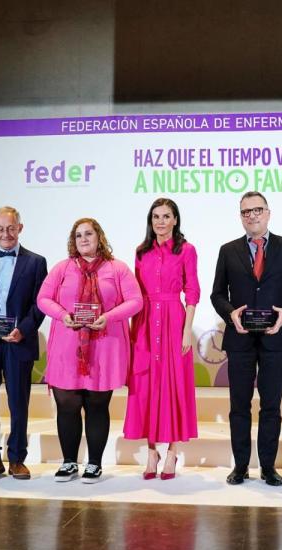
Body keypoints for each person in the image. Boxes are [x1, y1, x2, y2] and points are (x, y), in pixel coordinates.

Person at [210, 191, 282, 487]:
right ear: (240, 216)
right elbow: (216, 294)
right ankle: (240, 466)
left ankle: (268, 467)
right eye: (246, 212)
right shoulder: (228, 250)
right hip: (240, 339)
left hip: (275, 338)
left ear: (268, 212)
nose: (252, 216)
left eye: (257, 210)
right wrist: (230, 314)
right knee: (239, 405)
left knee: (271, 405)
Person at [37, 218, 142, 483]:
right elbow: (43, 299)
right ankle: (69, 462)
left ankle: (94, 463)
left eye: (89, 234)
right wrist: (62, 315)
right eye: (78, 235)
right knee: (67, 404)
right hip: (67, 347)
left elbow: (135, 301)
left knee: (97, 406)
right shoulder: (62, 268)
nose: (83, 239)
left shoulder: (117, 269)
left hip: (104, 347)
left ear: (99, 237)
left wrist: (109, 316)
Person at [0, 207, 48, 481]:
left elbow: (40, 304)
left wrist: (23, 330)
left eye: (11, 228)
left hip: (18, 343)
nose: (6, 234)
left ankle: (17, 458)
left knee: (19, 402)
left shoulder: (36, 262)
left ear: (20, 228)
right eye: (0, 229)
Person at [124, 198, 200, 480]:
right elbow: (135, 294)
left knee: (173, 386)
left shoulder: (187, 250)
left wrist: (186, 330)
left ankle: (171, 451)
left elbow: (192, 292)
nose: (161, 221)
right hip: (144, 323)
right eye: (156, 216)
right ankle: (151, 451)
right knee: (147, 385)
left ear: (175, 220)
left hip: (173, 322)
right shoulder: (141, 252)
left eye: (166, 216)